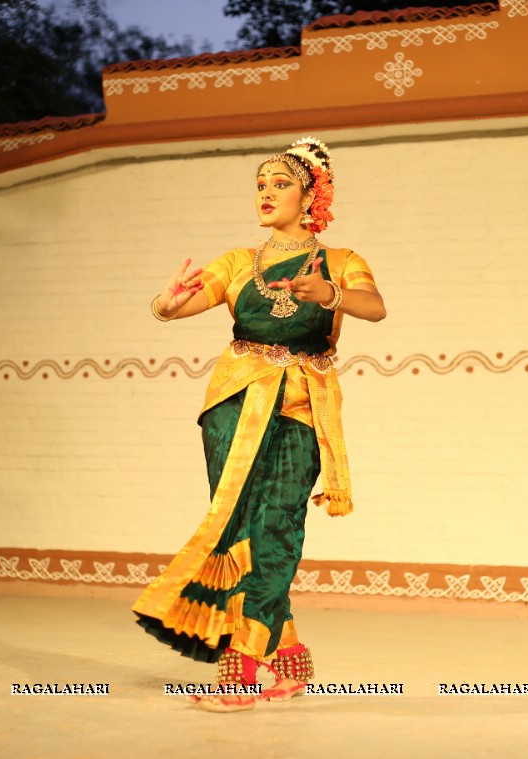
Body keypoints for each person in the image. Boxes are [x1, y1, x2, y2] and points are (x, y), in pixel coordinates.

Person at [133, 137, 386, 712]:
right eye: (260, 185)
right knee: (242, 525)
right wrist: (164, 304)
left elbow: (375, 307)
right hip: (233, 402)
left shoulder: (342, 260)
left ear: (309, 195)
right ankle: (289, 654)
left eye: (280, 184)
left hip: (300, 404)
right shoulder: (236, 262)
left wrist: (334, 294)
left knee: (279, 522)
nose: (266, 194)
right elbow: (183, 303)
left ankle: (245, 663)